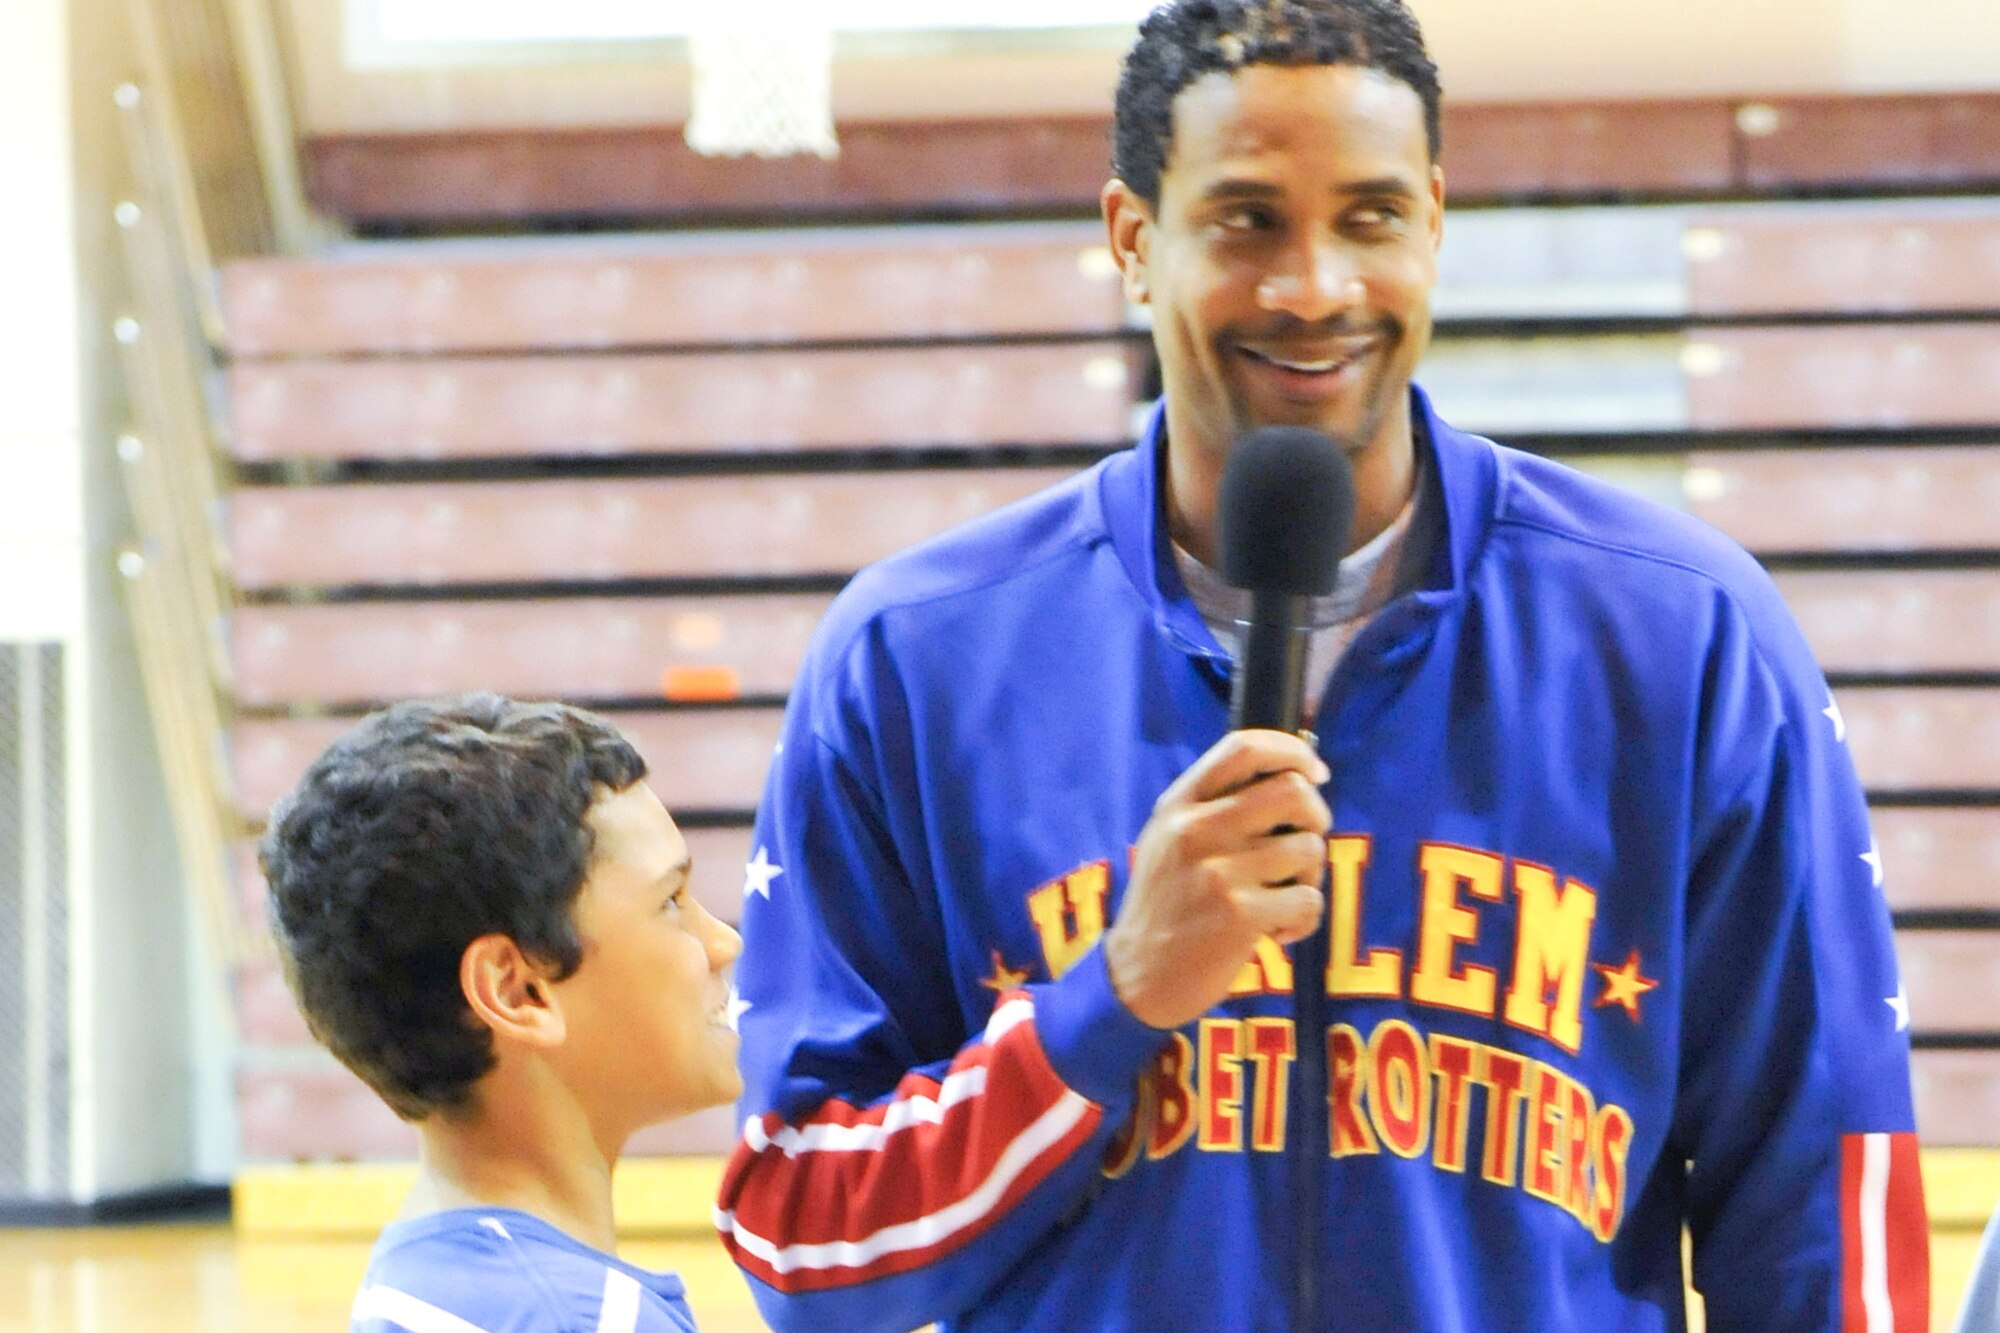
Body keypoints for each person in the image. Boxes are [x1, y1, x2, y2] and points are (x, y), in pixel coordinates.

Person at [717, 1, 1931, 1328]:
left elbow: (1825, 1193)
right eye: (1246, 218)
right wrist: (1109, 1003)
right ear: (1134, 240)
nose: (1313, 288)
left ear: (1434, 225)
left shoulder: (1679, 633)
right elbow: (801, 1245)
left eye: (1369, 216)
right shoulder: (917, 661)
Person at [262, 694, 742, 1333]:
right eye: (672, 902)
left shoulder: (430, 1275)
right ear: (518, 993)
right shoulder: (574, 1319)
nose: (722, 942)